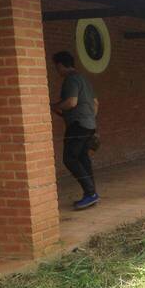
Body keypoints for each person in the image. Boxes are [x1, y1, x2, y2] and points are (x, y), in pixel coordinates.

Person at [51, 51, 100, 210]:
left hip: (77, 125)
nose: (57, 71)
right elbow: (95, 103)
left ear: (60, 65)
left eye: (56, 68)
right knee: (83, 158)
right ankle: (91, 193)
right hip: (89, 125)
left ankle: (91, 193)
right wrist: (90, 118)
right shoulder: (84, 79)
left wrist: (53, 106)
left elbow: (71, 102)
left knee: (70, 158)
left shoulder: (70, 79)